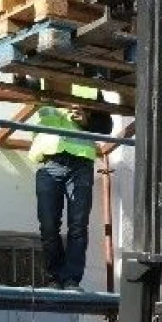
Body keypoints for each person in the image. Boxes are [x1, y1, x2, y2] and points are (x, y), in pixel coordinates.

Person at [27, 84, 112, 291]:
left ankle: (72, 279)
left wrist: (87, 121)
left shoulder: (87, 89)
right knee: (48, 225)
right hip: (50, 163)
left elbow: (107, 125)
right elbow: (21, 83)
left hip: (80, 163)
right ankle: (55, 278)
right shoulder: (42, 82)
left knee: (78, 225)